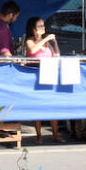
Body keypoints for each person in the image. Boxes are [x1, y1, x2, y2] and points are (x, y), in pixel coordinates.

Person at [25, 16, 65, 144]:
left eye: (43, 26)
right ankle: (39, 135)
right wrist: (46, 39)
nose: (43, 29)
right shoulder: (29, 41)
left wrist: (54, 43)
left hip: (49, 75)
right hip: (35, 77)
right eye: (40, 26)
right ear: (34, 29)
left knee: (53, 107)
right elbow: (32, 50)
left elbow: (56, 55)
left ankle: (55, 134)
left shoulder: (46, 42)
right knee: (37, 107)